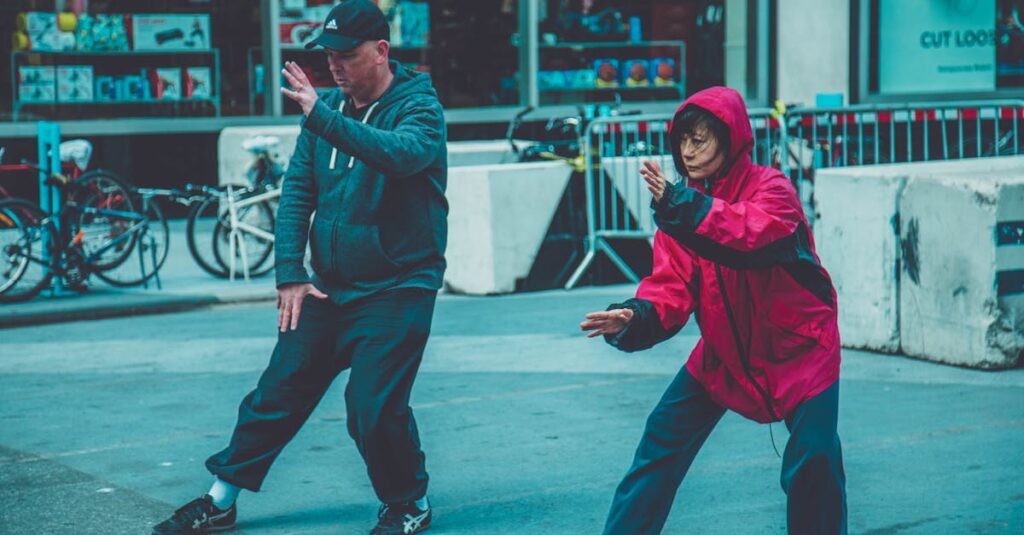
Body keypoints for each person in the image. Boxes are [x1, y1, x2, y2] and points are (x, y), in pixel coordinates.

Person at [152, 1, 447, 534]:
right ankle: (221, 500)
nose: (334, 66)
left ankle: (408, 503)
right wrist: (289, 270)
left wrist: (323, 118)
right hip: (329, 286)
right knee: (277, 392)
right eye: (328, 55)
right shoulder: (326, 111)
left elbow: (401, 155)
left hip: (398, 285)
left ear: (381, 52)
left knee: (372, 408)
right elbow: (298, 193)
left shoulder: (419, 108)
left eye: (347, 56)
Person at [580, 86, 846, 534]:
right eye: (682, 141)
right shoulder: (679, 211)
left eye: (700, 140)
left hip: (800, 350)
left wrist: (681, 205)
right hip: (724, 354)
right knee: (660, 440)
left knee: (814, 459)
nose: (688, 152)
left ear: (731, 139)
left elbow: (750, 237)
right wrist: (634, 316)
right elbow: (670, 289)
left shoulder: (771, 188)